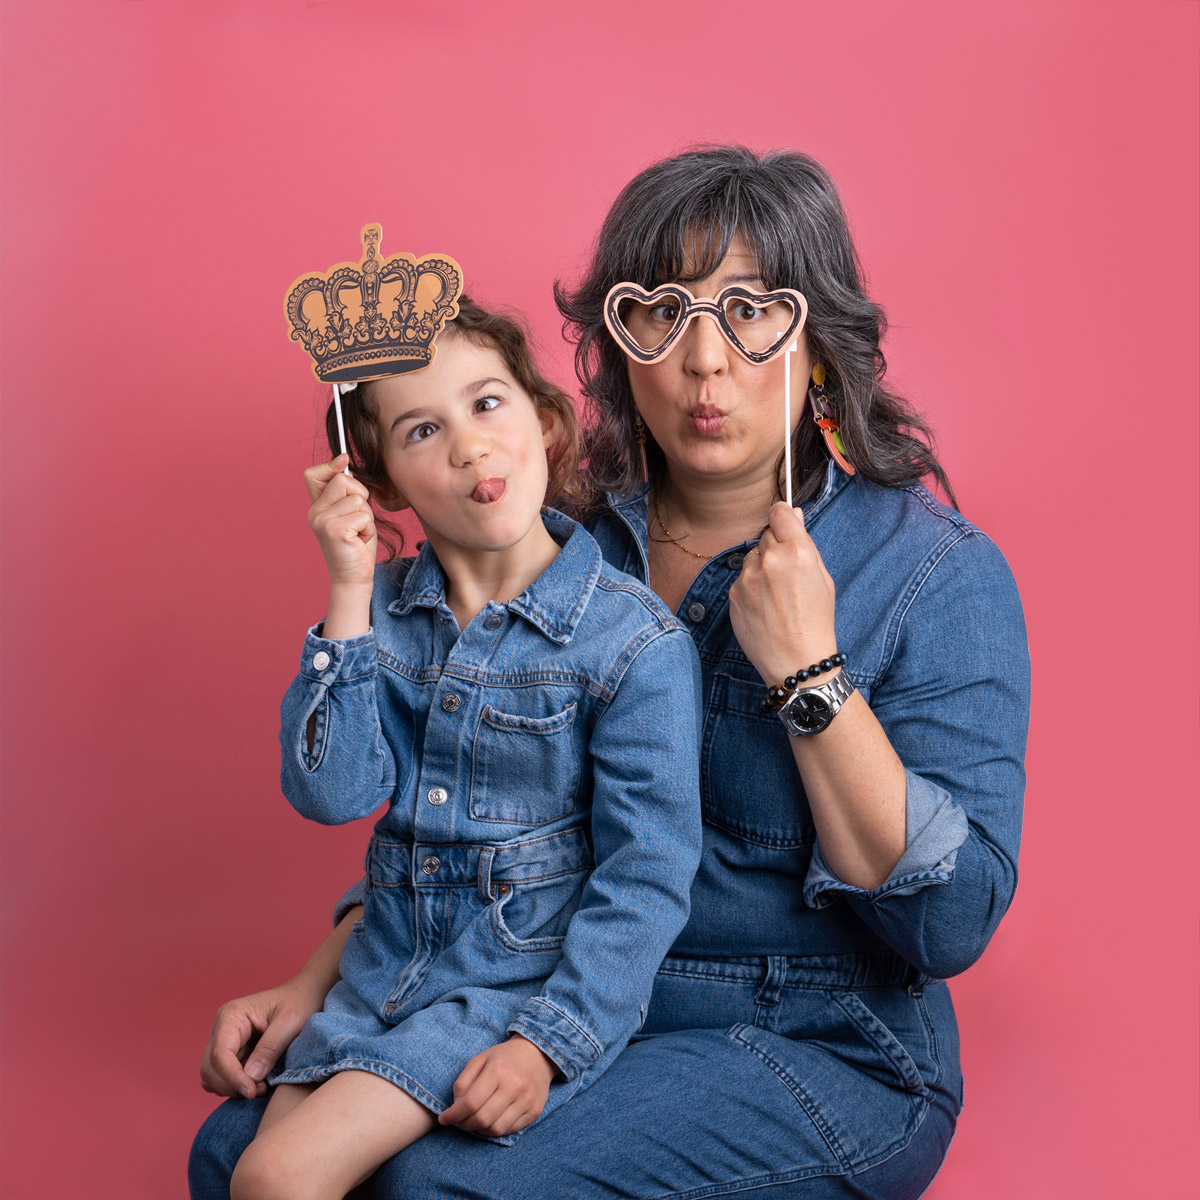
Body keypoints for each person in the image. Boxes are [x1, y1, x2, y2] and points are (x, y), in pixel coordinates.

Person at [191, 147, 1030, 1199]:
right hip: (546, 990)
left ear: (818, 340)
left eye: (751, 311)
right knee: (234, 1159)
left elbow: (948, 926)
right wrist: (320, 983)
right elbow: (474, 820)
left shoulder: (934, 573)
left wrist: (810, 675)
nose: (704, 362)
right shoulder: (561, 548)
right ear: (616, 347)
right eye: (662, 314)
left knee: (439, 1187)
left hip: (812, 1034)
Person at [225, 297, 703, 1200]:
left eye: (487, 404)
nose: (469, 446)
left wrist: (546, 1045)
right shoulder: (386, 622)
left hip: (502, 997)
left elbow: (645, 879)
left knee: (278, 1182)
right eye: (422, 429)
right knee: (246, 1172)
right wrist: (349, 592)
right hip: (376, 987)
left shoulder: (631, 645)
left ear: (544, 420)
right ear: (384, 483)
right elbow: (332, 793)